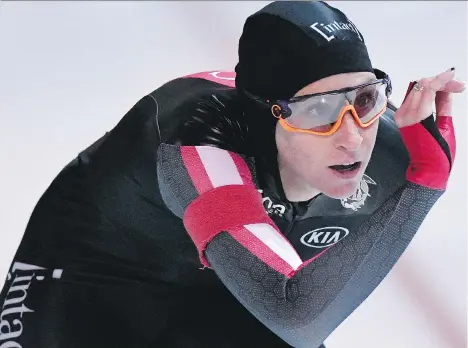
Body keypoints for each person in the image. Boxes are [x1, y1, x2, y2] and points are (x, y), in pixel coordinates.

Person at [0, 1, 464, 348]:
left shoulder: (392, 139)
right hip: (89, 292)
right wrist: (424, 187)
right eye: (318, 110)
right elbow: (296, 315)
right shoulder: (198, 144)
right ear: (267, 112)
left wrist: (419, 165)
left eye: (364, 99)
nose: (352, 137)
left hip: (223, 296)